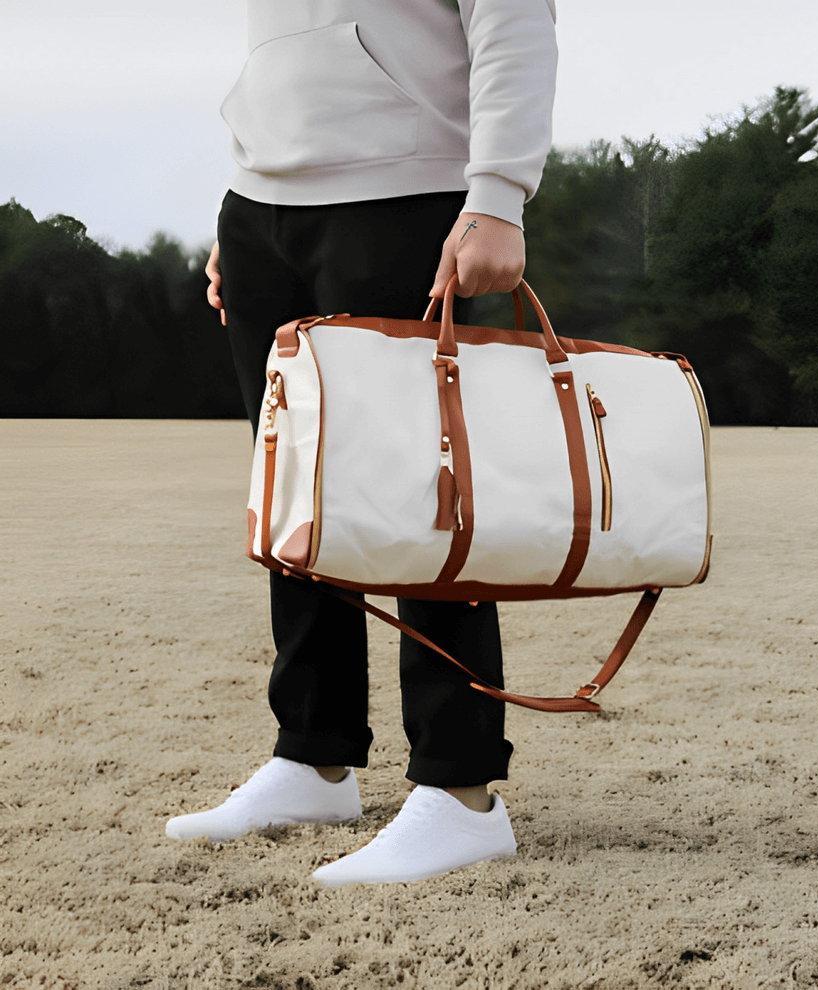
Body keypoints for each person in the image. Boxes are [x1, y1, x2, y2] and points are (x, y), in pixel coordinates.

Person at [165, 0, 558, 887]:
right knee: (297, 488)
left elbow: (514, 14)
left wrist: (498, 194)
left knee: (424, 487)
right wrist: (249, 208)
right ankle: (313, 757)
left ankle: (462, 794)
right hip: (264, 206)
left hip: (404, 193)